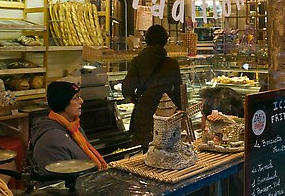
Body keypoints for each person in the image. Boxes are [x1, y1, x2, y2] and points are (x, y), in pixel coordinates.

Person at [122, 24, 183, 153]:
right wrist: (180, 110)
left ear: (147, 40)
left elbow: (127, 88)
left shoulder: (138, 61)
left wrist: (137, 99)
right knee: (167, 146)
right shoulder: (172, 63)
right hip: (167, 112)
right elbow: (179, 90)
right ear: (165, 41)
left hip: (144, 111)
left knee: (144, 148)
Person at [30, 81, 108, 176]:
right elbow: (59, 184)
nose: (81, 101)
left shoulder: (74, 128)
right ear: (62, 102)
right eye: (75, 98)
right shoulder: (52, 140)